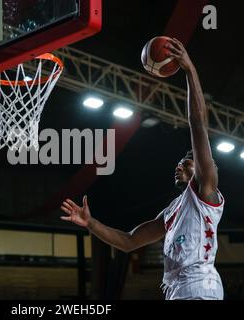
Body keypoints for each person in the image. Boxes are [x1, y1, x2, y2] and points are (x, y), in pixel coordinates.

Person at [60, 38, 225, 300]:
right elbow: (128, 242)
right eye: (180, 161)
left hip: (199, 287)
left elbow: (197, 123)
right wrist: (91, 223)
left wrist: (190, 70)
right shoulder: (172, 212)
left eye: (188, 160)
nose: (180, 164)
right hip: (179, 290)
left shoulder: (206, 193)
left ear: (205, 168)